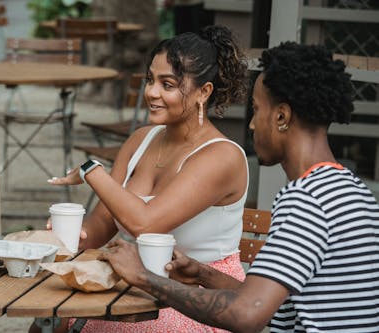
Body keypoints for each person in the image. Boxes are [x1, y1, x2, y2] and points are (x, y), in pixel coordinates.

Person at [100, 42, 379, 332]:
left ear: (281, 117)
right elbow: (268, 306)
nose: (252, 126)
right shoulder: (352, 192)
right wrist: (204, 274)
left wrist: (145, 277)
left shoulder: (307, 200)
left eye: (256, 110)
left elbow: (247, 316)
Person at [42, 25, 249, 332]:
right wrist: (70, 233)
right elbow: (102, 224)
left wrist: (90, 170)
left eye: (168, 85)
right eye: (151, 80)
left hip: (200, 297)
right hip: (139, 282)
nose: (151, 92)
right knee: (47, 318)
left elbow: (146, 223)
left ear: (203, 92)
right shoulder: (140, 140)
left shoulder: (222, 157)